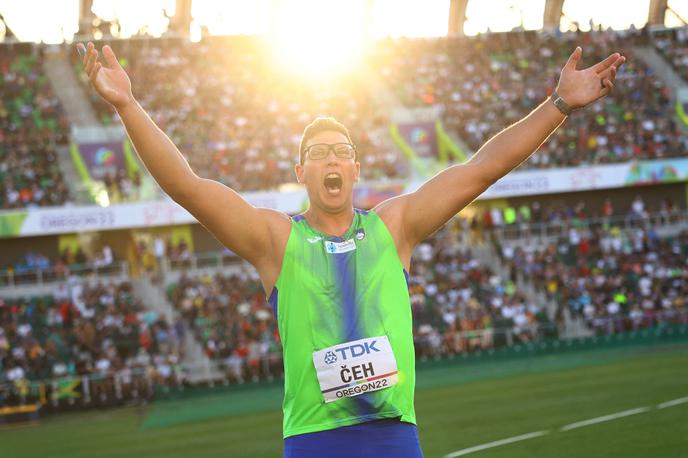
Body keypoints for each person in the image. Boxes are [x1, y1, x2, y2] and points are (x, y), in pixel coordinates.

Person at [77, 41, 624, 457]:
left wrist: (558, 105)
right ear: (302, 171)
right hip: (316, 440)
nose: (332, 160)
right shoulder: (276, 240)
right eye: (319, 153)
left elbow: (482, 167)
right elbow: (189, 187)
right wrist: (127, 105)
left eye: (342, 151)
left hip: (393, 436)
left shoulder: (395, 225)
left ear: (356, 168)